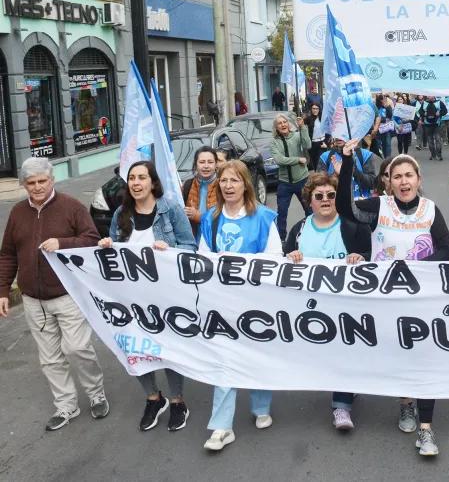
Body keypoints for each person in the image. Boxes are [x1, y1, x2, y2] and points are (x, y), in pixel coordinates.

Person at [336, 144, 449, 456]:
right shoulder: (379, 206)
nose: (403, 181)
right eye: (397, 176)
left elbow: (446, 248)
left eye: (409, 175)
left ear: (418, 178)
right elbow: (345, 209)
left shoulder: (430, 209)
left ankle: (426, 429)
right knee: (401, 357)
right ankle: (406, 404)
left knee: (424, 359)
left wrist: (415, 268)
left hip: (420, 299)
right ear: (388, 182)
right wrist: (347, 162)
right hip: (384, 301)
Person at [0, 157, 109, 431]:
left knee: (78, 348)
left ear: (52, 180)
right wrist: (2, 290)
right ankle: (66, 406)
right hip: (33, 300)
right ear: (24, 184)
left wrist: (63, 243)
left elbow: (92, 240)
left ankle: (96, 394)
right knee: (49, 357)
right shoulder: (17, 213)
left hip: (67, 294)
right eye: (31, 183)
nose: (37, 187)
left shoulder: (71, 207)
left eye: (42, 181)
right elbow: (8, 254)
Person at [98, 161, 196, 432]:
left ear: (153, 182)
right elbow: (115, 254)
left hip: (166, 296)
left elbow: (191, 247)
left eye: (142, 177)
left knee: (169, 349)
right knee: (138, 350)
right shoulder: (121, 214)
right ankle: (154, 399)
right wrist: (108, 246)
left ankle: (178, 401)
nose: (136, 182)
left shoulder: (170, 210)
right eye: (132, 178)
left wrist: (170, 250)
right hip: (131, 299)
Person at [198, 160, 281, 451]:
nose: (229, 186)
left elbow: (274, 258)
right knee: (225, 359)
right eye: (224, 181)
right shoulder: (211, 218)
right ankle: (221, 426)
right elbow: (203, 257)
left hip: (256, 302)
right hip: (222, 302)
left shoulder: (264, 218)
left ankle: (261, 406)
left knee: (256, 353)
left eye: (234, 180)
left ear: (245, 184)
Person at [284, 172, 371, 431]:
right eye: (318, 196)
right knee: (325, 356)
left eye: (331, 195)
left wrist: (361, 258)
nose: (325, 200)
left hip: (346, 306)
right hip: (312, 307)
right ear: (309, 200)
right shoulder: (298, 230)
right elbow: (283, 262)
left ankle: (341, 407)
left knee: (343, 351)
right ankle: (347, 387)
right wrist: (291, 256)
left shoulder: (354, 226)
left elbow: (369, 258)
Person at [270, 113, 312, 240]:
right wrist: (298, 159)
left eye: (285, 122)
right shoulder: (274, 142)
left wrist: (303, 127)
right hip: (285, 183)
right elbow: (279, 160)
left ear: (288, 124)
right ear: (276, 127)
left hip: (302, 180)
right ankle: (281, 239)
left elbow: (307, 145)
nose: (283, 124)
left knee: (309, 210)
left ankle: (311, 234)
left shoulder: (297, 136)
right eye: (280, 123)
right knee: (281, 213)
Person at [183, 146, 220, 238]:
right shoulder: (188, 185)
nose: (206, 166)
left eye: (210, 162)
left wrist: (200, 217)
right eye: (202, 162)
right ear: (196, 165)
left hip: (215, 238)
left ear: (216, 165)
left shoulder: (222, 185)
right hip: (193, 238)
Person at [418, 96, 447, 161]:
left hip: (437, 124)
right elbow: (420, 112)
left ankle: (439, 155)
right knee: (430, 140)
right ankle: (433, 154)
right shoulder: (424, 103)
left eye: (431, 95)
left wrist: (440, 113)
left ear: (433, 96)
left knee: (438, 139)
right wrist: (423, 114)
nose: (430, 96)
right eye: (429, 95)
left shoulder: (439, 102)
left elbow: (445, 111)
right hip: (427, 124)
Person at [304, 101, 329, 168]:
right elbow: (302, 129)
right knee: (315, 162)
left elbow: (328, 131)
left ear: (319, 109)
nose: (315, 110)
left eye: (317, 108)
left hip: (322, 143)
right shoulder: (308, 119)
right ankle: (318, 176)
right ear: (311, 109)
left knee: (321, 162)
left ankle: (323, 176)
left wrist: (326, 143)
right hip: (313, 144)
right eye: (313, 108)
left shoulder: (323, 118)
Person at [374, 94, 395, 158]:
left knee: (387, 144)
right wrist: (383, 119)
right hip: (378, 128)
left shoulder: (388, 106)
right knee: (379, 144)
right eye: (381, 99)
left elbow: (390, 116)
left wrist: (387, 107)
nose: (383, 100)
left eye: (384, 98)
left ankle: (387, 158)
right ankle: (382, 155)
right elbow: (375, 117)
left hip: (387, 128)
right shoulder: (376, 107)